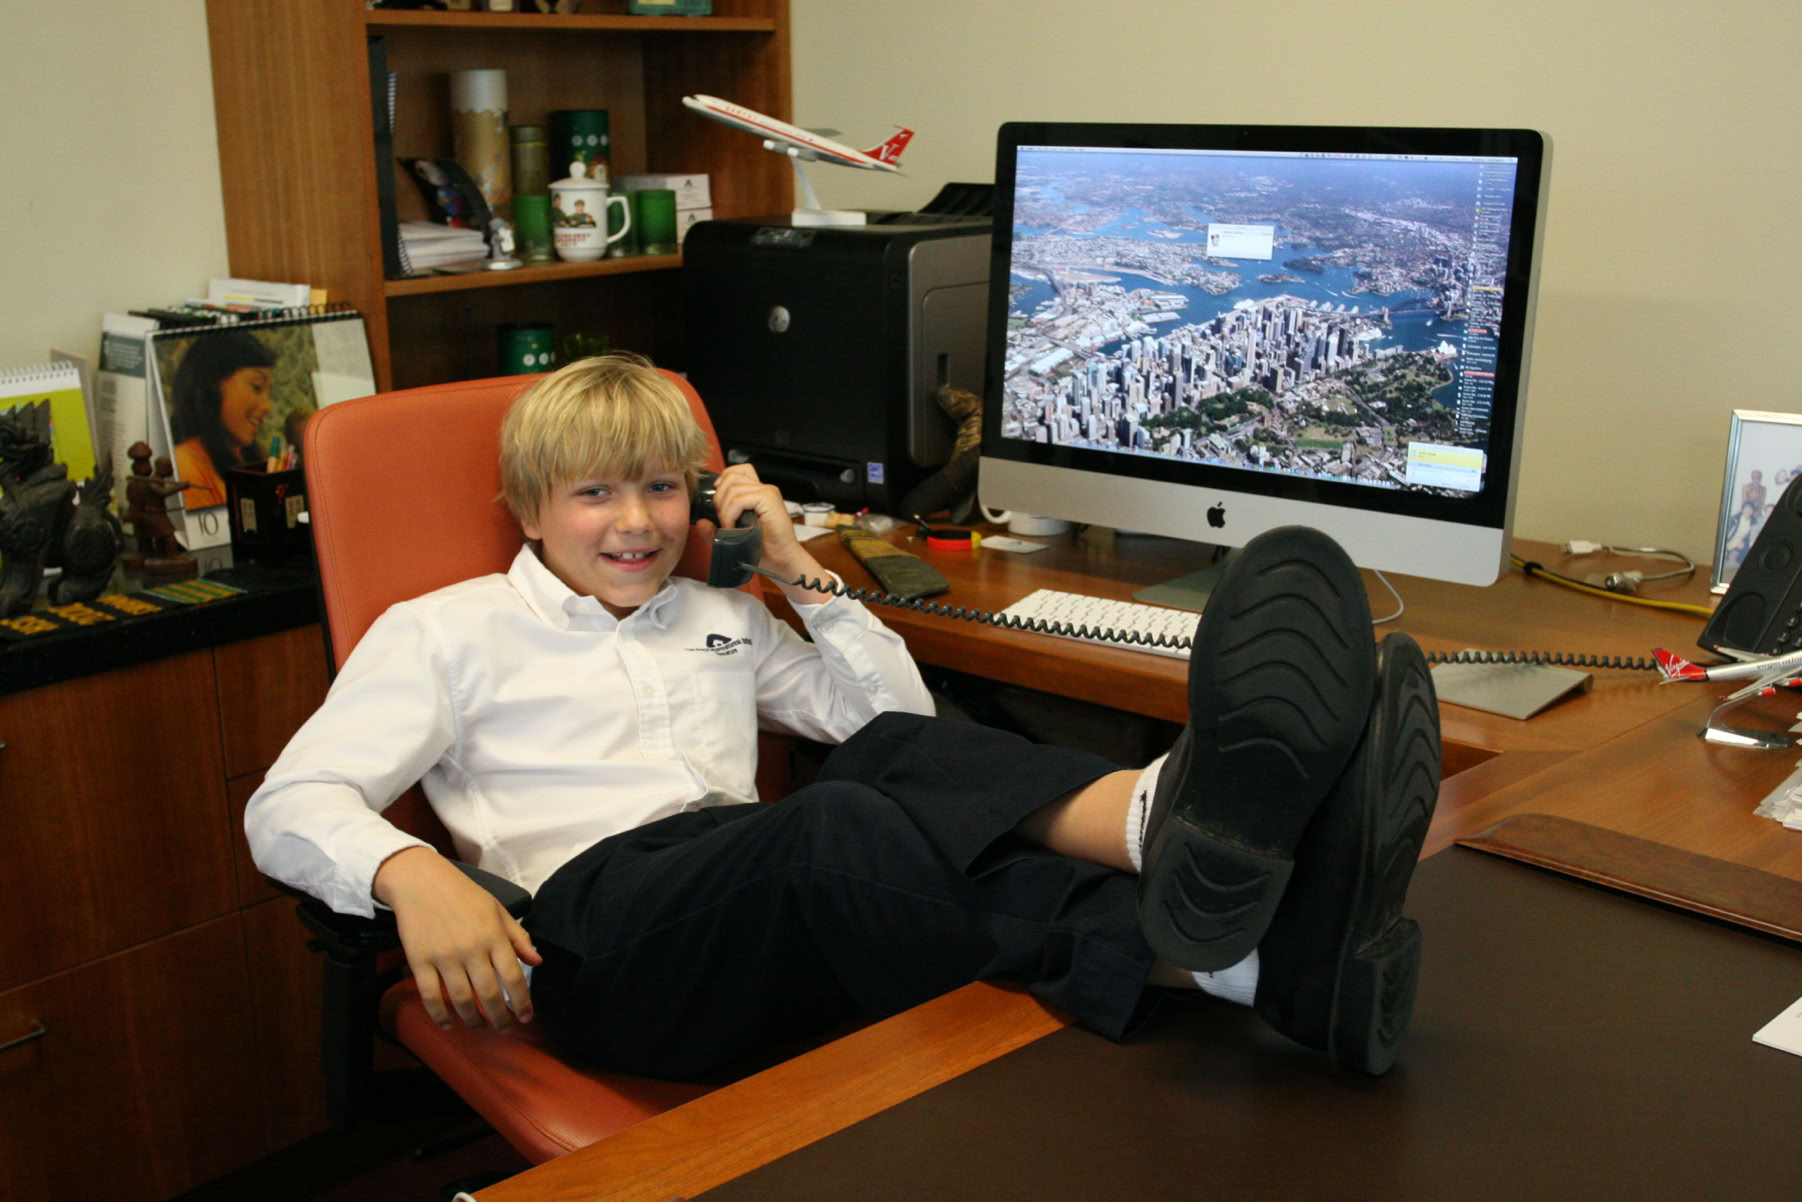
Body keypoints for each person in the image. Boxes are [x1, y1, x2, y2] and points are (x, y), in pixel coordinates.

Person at [245, 354, 1442, 1080]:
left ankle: (1255, 954)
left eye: (663, 487)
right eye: (594, 492)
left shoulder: (714, 608)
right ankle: (1189, 854)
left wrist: (795, 562)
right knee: (839, 826)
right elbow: (290, 803)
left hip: (748, 897)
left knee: (872, 778)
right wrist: (410, 870)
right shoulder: (442, 630)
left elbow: (895, 720)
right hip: (596, 940)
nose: (636, 521)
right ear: (526, 507)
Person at [168, 331, 275, 509]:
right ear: (212, 385)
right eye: (256, 387)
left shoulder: (246, 457)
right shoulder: (185, 465)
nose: (267, 406)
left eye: (268, 391)